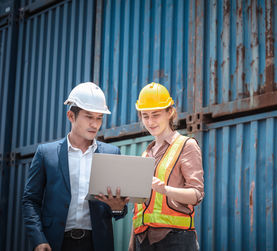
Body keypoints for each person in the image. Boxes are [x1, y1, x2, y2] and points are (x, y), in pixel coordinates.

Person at [22, 82, 129, 251]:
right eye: (89, 116)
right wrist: (38, 239)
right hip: (55, 243)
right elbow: (30, 200)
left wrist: (118, 209)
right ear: (71, 116)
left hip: (97, 244)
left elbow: (119, 209)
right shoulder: (46, 153)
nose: (95, 124)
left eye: (99, 118)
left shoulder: (112, 153)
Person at [128, 82, 204, 251]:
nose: (150, 121)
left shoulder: (186, 145)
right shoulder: (146, 153)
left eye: (156, 115)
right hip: (143, 240)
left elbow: (196, 194)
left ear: (170, 112)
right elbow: (139, 208)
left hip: (176, 239)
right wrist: (132, 243)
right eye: (145, 116)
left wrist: (166, 190)